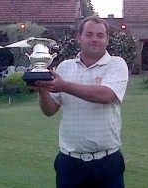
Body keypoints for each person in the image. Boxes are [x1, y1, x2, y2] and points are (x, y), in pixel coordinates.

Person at [33, 15, 129, 187]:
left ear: (107, 40)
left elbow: (105, 95)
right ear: (79, 38)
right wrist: (43, 91)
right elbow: (49, 111)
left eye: (100, 35)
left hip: (107, 162)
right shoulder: (64, 67)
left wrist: (64, 85)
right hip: (70, 163)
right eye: (89, 34)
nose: (95, 39)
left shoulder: (117, 64)